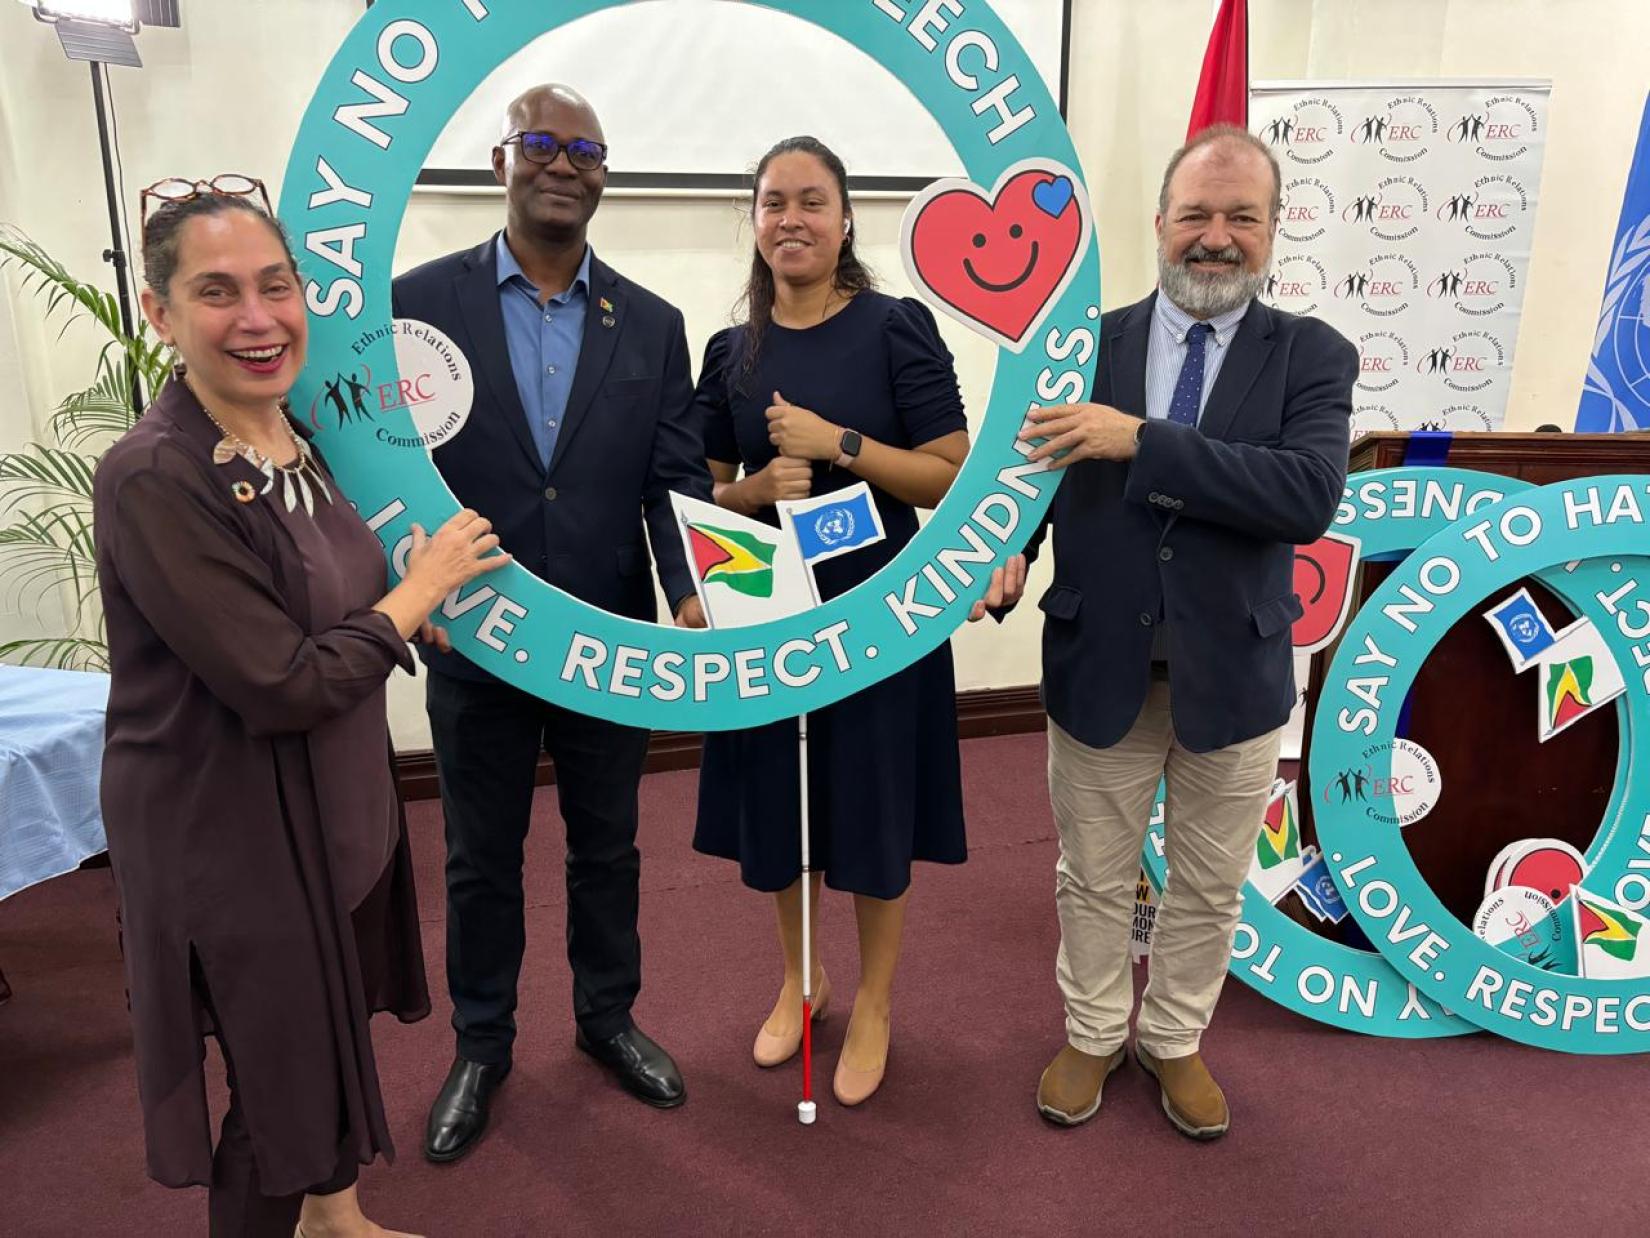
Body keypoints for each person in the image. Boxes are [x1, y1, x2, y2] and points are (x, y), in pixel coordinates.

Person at [94, 182, 507, 1237]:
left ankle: (337, 1218)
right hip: (228, 828)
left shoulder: (296, 436)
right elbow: (278, 681)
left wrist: (408, 610)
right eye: (218, 291)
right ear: (160, 311)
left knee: (325, 1037)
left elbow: (331, 590)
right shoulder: (154, 474)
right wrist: (415, 596)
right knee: (279, 1088)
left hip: (328, 804)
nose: (259, 317)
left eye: (276, 285)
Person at [973, 124, 1355, 1138]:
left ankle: (1174, 1038)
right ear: (1158, 224)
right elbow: (1033, 479)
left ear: (1275, 231)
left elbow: (1306, 493)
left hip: (1233, 669)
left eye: (1241, 217)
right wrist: (1010, 547)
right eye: (1195, 214)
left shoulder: (1313, 354)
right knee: (1092, 872)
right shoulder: (1083, 343)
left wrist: (1140, 438)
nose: (1215, 237)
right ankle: (1095, 1029)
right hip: (1100, 657)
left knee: (1210, 880)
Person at [392, 84, 712, 1161]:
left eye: (584, 148)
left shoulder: (654, 323)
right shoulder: (414, 306)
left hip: (606, 638)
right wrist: (409, 577)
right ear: (501, 160)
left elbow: (669, 484)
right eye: (542, 142)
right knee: (479, 857)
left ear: (604, 173)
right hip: (472, 638)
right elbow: (384, 469)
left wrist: (685, 590)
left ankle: (606, 1016)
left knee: (607, 845)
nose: (562, 163)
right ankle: (481, 1042)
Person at [692, 136, 971, 1106]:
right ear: (755, 219)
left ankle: (879, 1000)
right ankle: (801, 978)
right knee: (782, 803)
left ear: (846, 217)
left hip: (882, 618)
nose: (792, 219)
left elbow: (950, 474)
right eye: (774, 202)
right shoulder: (731, 350)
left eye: (813, 201)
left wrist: (839, 444)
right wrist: (759, 484)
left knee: (873, 805)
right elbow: (702, 486)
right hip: (770, 615)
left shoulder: (896, 326)